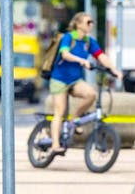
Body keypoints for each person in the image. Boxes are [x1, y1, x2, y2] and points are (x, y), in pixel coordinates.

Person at [48, 12, 122, 154]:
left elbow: (101, 56)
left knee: (91, 94)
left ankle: (73, 120)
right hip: (59, 79)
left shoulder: (89, 42)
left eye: (92, 22)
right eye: (88, 22)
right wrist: (81, 60)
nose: (91, 25)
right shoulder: (69, 37)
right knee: (59, 111)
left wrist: (114, 70)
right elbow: (64, 54)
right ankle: (55, 145)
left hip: (75, 80)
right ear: (78, 24)